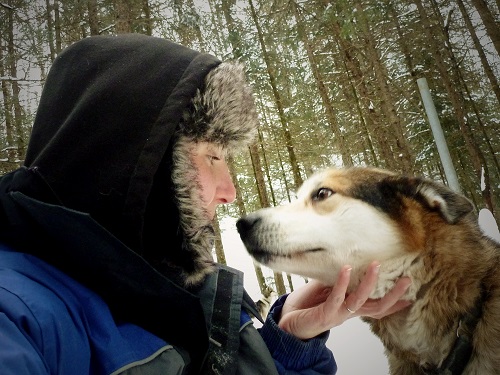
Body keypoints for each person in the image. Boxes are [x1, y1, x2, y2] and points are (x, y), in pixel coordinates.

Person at [0, 34, 411, 374]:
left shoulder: (198, 292)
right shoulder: (17, 317)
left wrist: (287, 343)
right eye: (212, 156)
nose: (229, 191)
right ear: (133, 162)